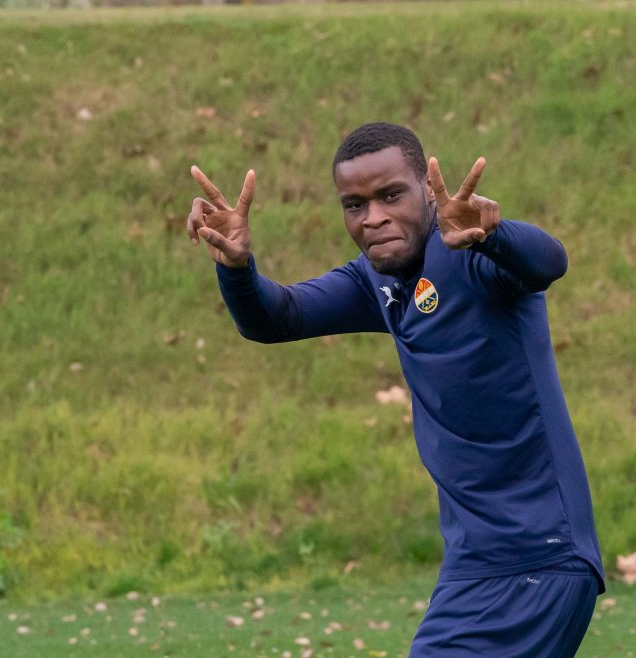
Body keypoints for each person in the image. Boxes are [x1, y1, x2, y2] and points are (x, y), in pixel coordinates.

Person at [187, 122, 604, 656]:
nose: (373, 217)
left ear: (428, 189)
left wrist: (495, 233)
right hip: (474, 564)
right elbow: (277, 317)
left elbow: (549, 262)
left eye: (390, 195)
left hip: (536, 556)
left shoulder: (477, 255)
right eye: (354, 205)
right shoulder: (376, 281)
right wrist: (237, 268)